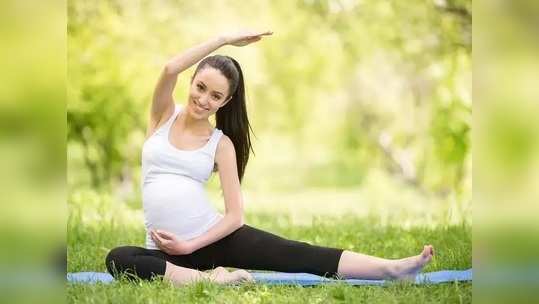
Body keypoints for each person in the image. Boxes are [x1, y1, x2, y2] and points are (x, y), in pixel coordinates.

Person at [105, 30, 434, 286]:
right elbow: (169, 67)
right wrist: (224, 40)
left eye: (215, 95)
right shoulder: (163, 116)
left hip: (208, 241)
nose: (203, 99)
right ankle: (209, 279)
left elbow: (235, 216)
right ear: (191, 81)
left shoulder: (220, 144)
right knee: (119, 258)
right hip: (162, 251)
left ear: (226, 100)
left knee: (299, 254)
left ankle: (393, 269)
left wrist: (190, 247)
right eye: (201, 87)